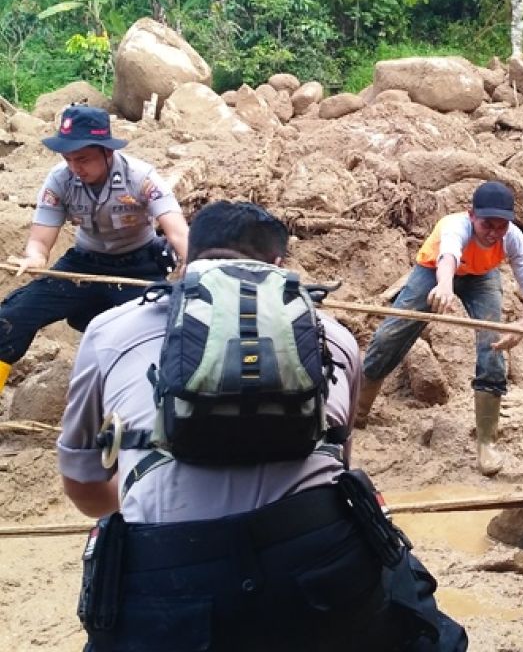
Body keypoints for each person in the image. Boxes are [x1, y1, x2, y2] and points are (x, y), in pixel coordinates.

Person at [57, 201, 467, 651]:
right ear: (278, 266)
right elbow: (337, 465)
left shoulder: (110, 330)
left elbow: (83, 487)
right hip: (323, 566)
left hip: (170, 581)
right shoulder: (334, 336)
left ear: (187, 262)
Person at [358, 180, 523, 477]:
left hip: (482, 277)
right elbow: (448, 257)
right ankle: (357, 413)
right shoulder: (456, 226)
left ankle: (487, 443)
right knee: (390, 334)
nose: (494, 233)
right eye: (487, 225)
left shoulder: (513, 239)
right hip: (434, 270)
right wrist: (444, 285)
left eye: (501, 226)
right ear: (472, 215)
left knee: (492, 343)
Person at [0, 105, 188, 395]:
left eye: (84, 159)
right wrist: (34, 257)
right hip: (83, 266)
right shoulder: (59, 180)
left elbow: (177, 232)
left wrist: (195, 264)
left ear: (107, 152)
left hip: (139, 267)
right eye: (69, 159)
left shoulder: (141, 178)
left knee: (165, 333)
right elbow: (40, 240)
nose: (76, 167)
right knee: (11, 318)